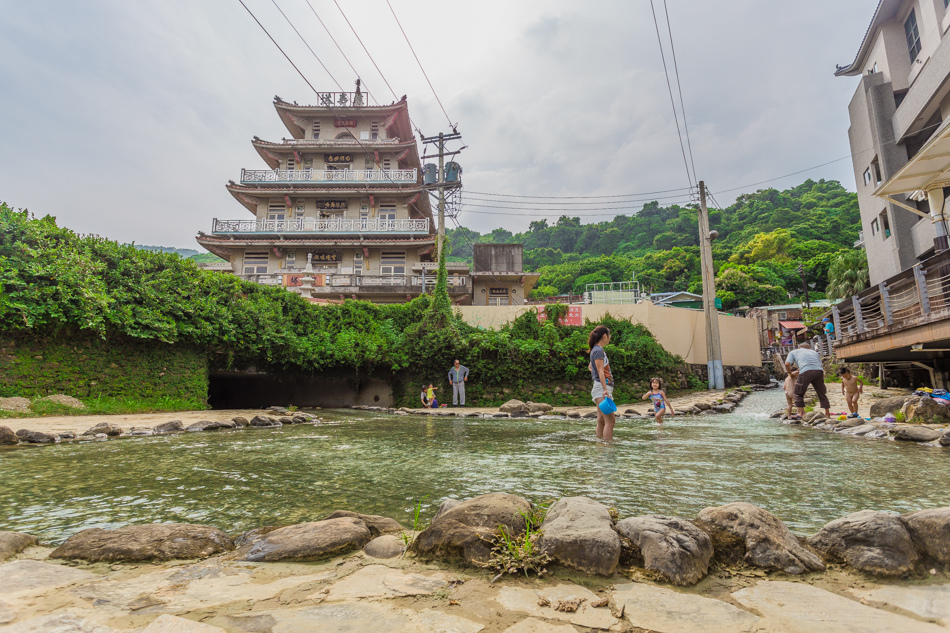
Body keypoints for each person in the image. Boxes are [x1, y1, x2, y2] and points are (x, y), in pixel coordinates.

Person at [784, 342, 830, 420]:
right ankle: (827, 413)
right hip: (819, 371)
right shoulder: (814, 352)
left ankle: (801, 413)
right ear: (808, 348)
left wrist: (790, 373)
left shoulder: (793, 352)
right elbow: (818, 364)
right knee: (821, 393)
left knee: (798, 392)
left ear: (799, 347)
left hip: (806, 371)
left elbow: (787, 364)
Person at [588, 325, 615, 441]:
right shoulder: (598, 350)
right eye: (609, 336)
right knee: (610, 421)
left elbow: (591, 367)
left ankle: (600, 446)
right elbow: (600, 371)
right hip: (602, 389)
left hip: (598, 387)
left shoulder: (595, 350)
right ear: (605, 336)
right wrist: (605, 389)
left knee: (601, 419)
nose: (609, 338)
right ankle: (608, 447)